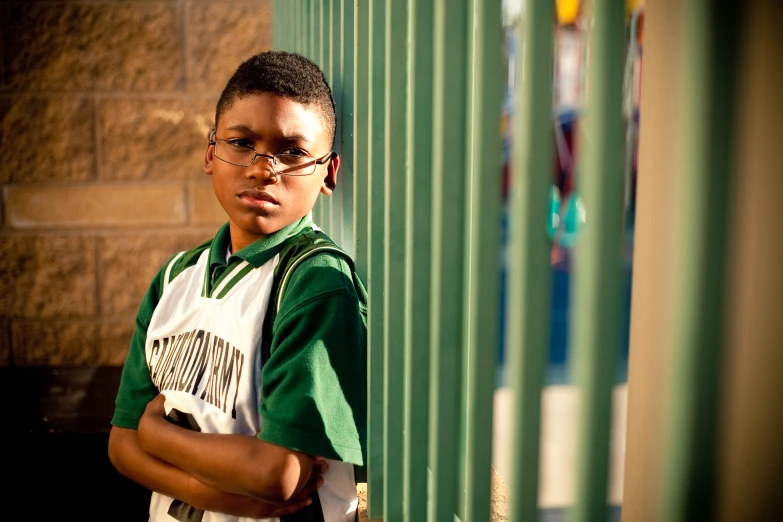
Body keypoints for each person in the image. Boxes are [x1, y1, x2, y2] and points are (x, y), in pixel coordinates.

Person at [108, 50, 367, 522]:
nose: (263, 168)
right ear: (211, 153)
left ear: (328, 172)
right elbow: (122, 444)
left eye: (293, 152)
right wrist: (213, 494)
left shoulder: (314, 282)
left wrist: (159, 435)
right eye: (241, 142)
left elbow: (278, 473)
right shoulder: (173, 279)